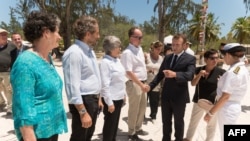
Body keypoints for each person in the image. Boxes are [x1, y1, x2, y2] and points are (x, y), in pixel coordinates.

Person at [10, 11, 68, 141]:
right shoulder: (25, 64)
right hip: (38, 135)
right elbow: (23, 109)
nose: (59, 36)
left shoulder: (47, 58)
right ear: (46, 33)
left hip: (51, 130)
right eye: (57, 32)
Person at [148, 33, 196, 141]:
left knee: (178, 123)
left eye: (177, 45)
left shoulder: (190, 59)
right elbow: (160, 74)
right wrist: (150, 86)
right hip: (166, 96)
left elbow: (190, 75)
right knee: (166, 122)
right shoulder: (168, 57)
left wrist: (175, 74)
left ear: (184, 45)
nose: (174, 47)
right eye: (173, 44)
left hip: (179, 97)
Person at [62, 15, 102, 141]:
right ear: (87, 34)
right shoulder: (74, 53)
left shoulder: (89, 51)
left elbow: (93, 76)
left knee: (87, 136)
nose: (98, 36)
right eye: (96, 33)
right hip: (83, 101)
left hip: (92, 100)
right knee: (79, 137)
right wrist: (83, 112)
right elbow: (72, 86)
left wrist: (98, 98)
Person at [204, 43, 250, 141]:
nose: (223, 58)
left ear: (228, 55)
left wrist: (210, 113)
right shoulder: (240, 68)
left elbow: (225, 97)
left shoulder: (232, 72)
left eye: (224, 55)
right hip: (233, 106)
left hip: (227, 109)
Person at [183, 49, 226, 141]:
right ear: (206, 59)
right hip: (198, 101)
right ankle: (188, 139)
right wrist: (199, 75)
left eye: (217, 58)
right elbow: (193, 84)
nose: (215, 60)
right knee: (193, 122)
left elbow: (226, 89)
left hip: (212, 104)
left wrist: (221, 83)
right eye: (212, 58)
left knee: (211, 125)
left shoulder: (222, 72)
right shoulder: (198, 69)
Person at [120, 27, 149, 141]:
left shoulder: (140, 49)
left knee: (142, 108)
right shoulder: (127, 53)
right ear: (130, 38)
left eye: (141, 37)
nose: (140, 39)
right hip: (134, 84)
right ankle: (131, 132)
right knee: (134, 109)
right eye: (137, 37)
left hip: (143, 82)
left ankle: (138, 128)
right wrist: (141, 85)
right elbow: (128, 72)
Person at [99, 35, 127, 141]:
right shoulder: (105, 63)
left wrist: (123, 94)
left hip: (119, 98)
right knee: (109, 127)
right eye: (118, 47)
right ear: (111, 48)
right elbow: (104, 85)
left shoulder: (117, 60)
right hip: (111, 100)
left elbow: (120, 79)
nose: (120, 49)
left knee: (114, 125)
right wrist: (109, 103)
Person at [145, 40, 163, 123]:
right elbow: (141, 67)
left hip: (156, 82)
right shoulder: (147, 56)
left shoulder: (161, 58)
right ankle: (141, 116)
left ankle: (153, 116)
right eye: (157, 48)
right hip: (145, 82)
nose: (158, 50)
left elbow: (162, 70)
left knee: (154, 100)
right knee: (144, 100)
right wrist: (147, 70)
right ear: (153, 48)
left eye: (160, 49)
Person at [0, 28, 16, 115]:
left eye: (5, 34)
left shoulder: (12, 46)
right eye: (2, 34)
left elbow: (15, 59)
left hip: (7, 72)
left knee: (9, 89)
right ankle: (1, 103)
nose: (4, 36)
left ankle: (10, 107)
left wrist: (12, 69)